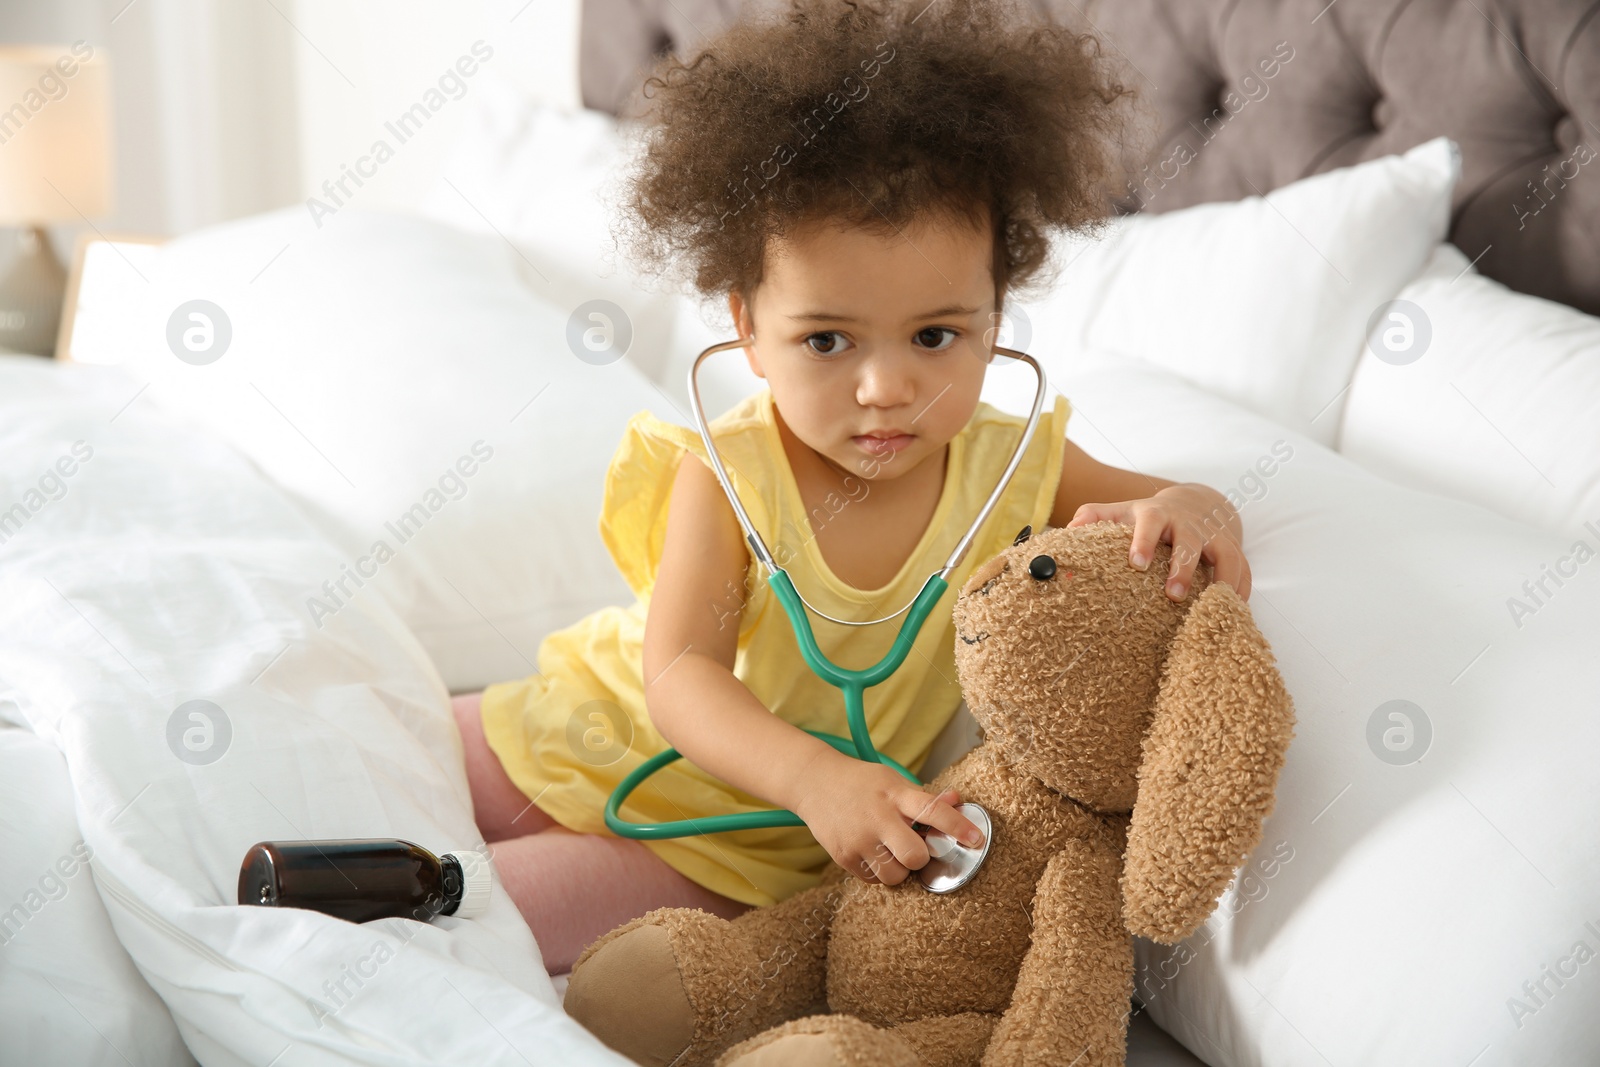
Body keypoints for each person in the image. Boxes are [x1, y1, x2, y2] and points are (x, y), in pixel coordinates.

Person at [451, 0, 1254, 974]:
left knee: (476, 915)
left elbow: (1178, 501)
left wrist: (1194, 509)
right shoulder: (733, 471)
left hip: (750, 851)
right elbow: (677, 676)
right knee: (375, 772)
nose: (884, 389)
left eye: (934, 336)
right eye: (826, 340)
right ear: (747, 327)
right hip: (587, 736)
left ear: (995, 316)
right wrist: (816, 776)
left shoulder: (1013, 467)